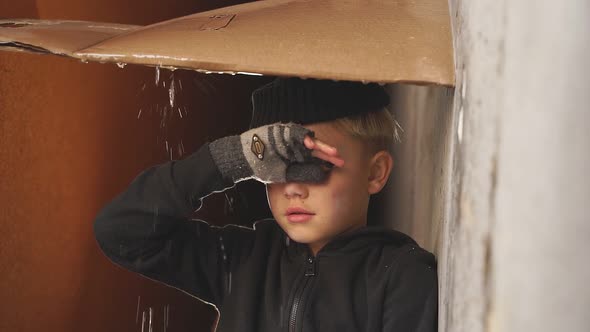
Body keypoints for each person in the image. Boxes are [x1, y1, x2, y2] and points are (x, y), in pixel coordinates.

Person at [94, 77, 438, 332]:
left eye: (315, 166)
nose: (293, 189)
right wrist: (232, 158)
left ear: (375, 172)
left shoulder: (402, 277)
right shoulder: (242, 261)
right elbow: (122, 231)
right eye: (277, 168)